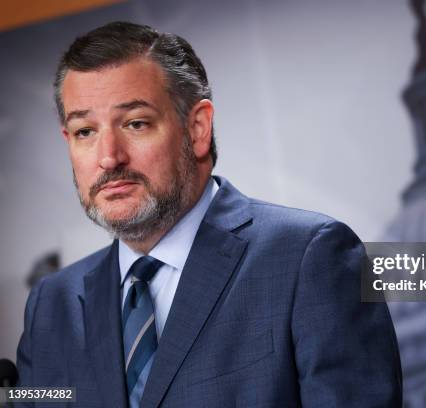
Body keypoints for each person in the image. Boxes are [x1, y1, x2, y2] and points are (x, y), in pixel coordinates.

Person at [16, 21, 402, 407]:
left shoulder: (310, 257)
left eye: (136, 123)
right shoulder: (52, 303)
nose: (108, 157)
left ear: (197, 128)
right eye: (85, 131)